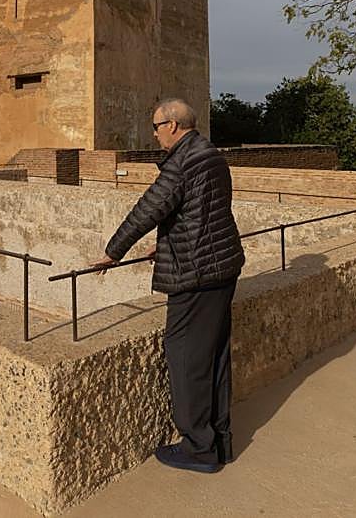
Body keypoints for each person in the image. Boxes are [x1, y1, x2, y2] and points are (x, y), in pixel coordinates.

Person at [93, 98, 245, 473]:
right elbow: (198, 213)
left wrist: (114, 251)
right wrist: (163, 244)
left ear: (173, 125)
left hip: (195, 275)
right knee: (215, 358)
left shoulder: (182, 161)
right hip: (221, 267)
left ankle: (198, 449)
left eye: (156, 126)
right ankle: (219, 441)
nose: (155, 133)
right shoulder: (210, 154)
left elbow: (150, 208)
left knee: (186, 358)